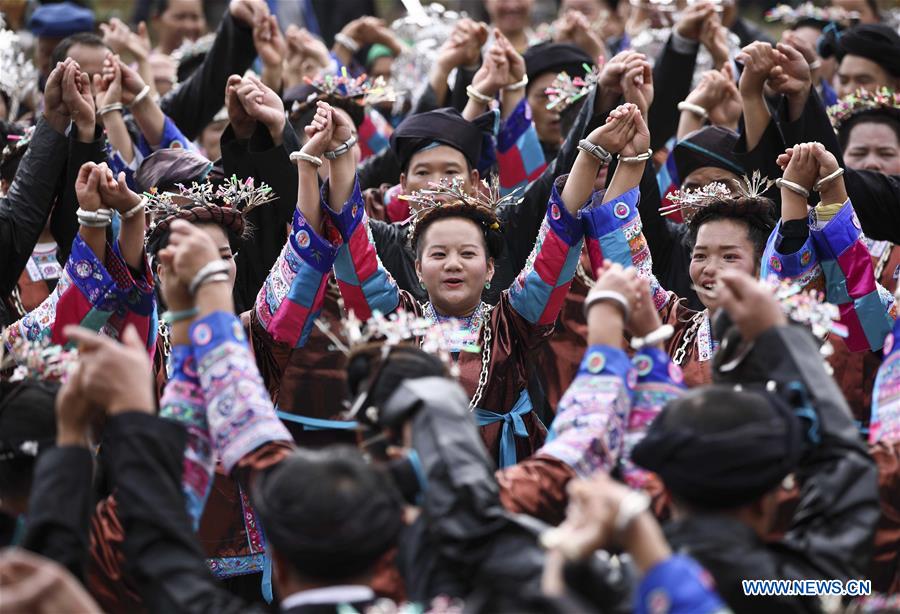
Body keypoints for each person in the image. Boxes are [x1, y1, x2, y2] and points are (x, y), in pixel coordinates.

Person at [632, 269, 880, 613]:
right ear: (769, 502)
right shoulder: (798, 590)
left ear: (666, 492)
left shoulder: (618, 584)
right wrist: (779, 340)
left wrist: (645, 345)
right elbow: (846, 470)